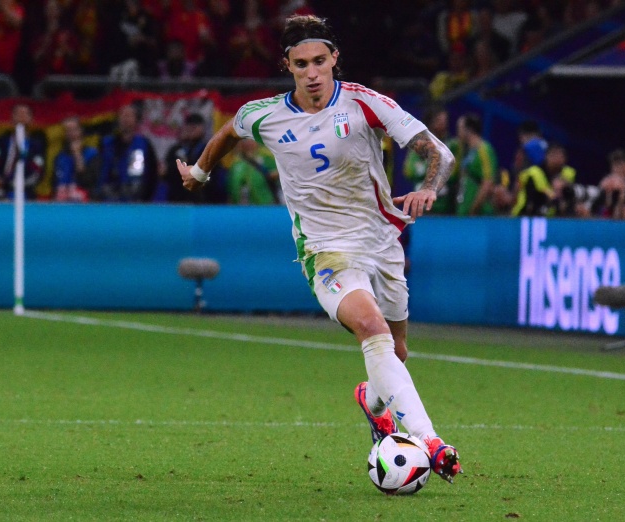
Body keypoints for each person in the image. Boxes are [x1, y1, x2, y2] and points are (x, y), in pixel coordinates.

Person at [176, 15, 462, 483]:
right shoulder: (265, 114)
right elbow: (228, 133)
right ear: (287, 65)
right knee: (371, 328)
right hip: (325, 250)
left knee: (397, 353)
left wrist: (429, 187)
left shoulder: (365, 103)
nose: (312, 73)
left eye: (319, 61)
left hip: (381, 242)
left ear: (334, 60)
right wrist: (199, 173)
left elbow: (440, 152)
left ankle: (373, 403)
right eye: (301, 63)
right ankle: (430, 441)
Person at [403, 105, 460, 214]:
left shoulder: (453, 145)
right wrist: (437, 166)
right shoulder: (419, 143)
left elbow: (452, 174)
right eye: (439, 120)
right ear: (431, 122)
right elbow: (409, 171)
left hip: (445, 206)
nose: (443, 124)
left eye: (445, 121)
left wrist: (427, 167)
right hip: (421, 205)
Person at [98, 103, 158, 202]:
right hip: (110, 199)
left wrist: (146, 198)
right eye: (123, 115)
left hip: (136, 199)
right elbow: (101, 172)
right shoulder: (108, 144)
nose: (125, 119)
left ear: (136, 120)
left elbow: (152, 173)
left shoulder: (143, 145)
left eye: (129, 116)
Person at [0, 103, 45, 199]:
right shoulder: (0, 141)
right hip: (0, 190)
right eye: (18, 114)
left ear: (31, 119)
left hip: (26, 192)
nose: (21, 117)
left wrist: (17, 184)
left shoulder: (36, 146)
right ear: (12, 118)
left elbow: (38, 171)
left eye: (25, 114)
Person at [511, 142, 576, 216]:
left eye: (560, 156)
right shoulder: (534, 173)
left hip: (553, 216)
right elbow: (536, 198)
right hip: (525, 213)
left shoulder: (569, 173)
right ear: (546, 156)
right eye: (553, 155)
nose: (557, 160)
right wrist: (555, 193)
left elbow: (571, 196)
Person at [455, 112, 498, 216]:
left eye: (460, 128)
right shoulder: (467, 151)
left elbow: (487, 182)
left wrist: (474, 209)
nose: (457, 132)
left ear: (468, 130)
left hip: (478, 214)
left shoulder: (484, 150)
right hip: (463, 212)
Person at [53, 115, 99, 202]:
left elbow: (89, 182)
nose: (71, 134)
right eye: (67, 130)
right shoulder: (59, 157)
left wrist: (77, 155)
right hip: (61, 203)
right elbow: (55, 184)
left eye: (74, 130)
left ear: (81, 131)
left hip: (84, 203)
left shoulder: (92, 154)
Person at [226, 138, 278, 205]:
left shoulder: (266, 157)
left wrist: (270, 175)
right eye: (245, 140)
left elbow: (278, 173)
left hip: (265, 203)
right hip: (241, 205)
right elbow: (231, 185)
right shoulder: (236, 162)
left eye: (251, 139)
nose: (248, 142)